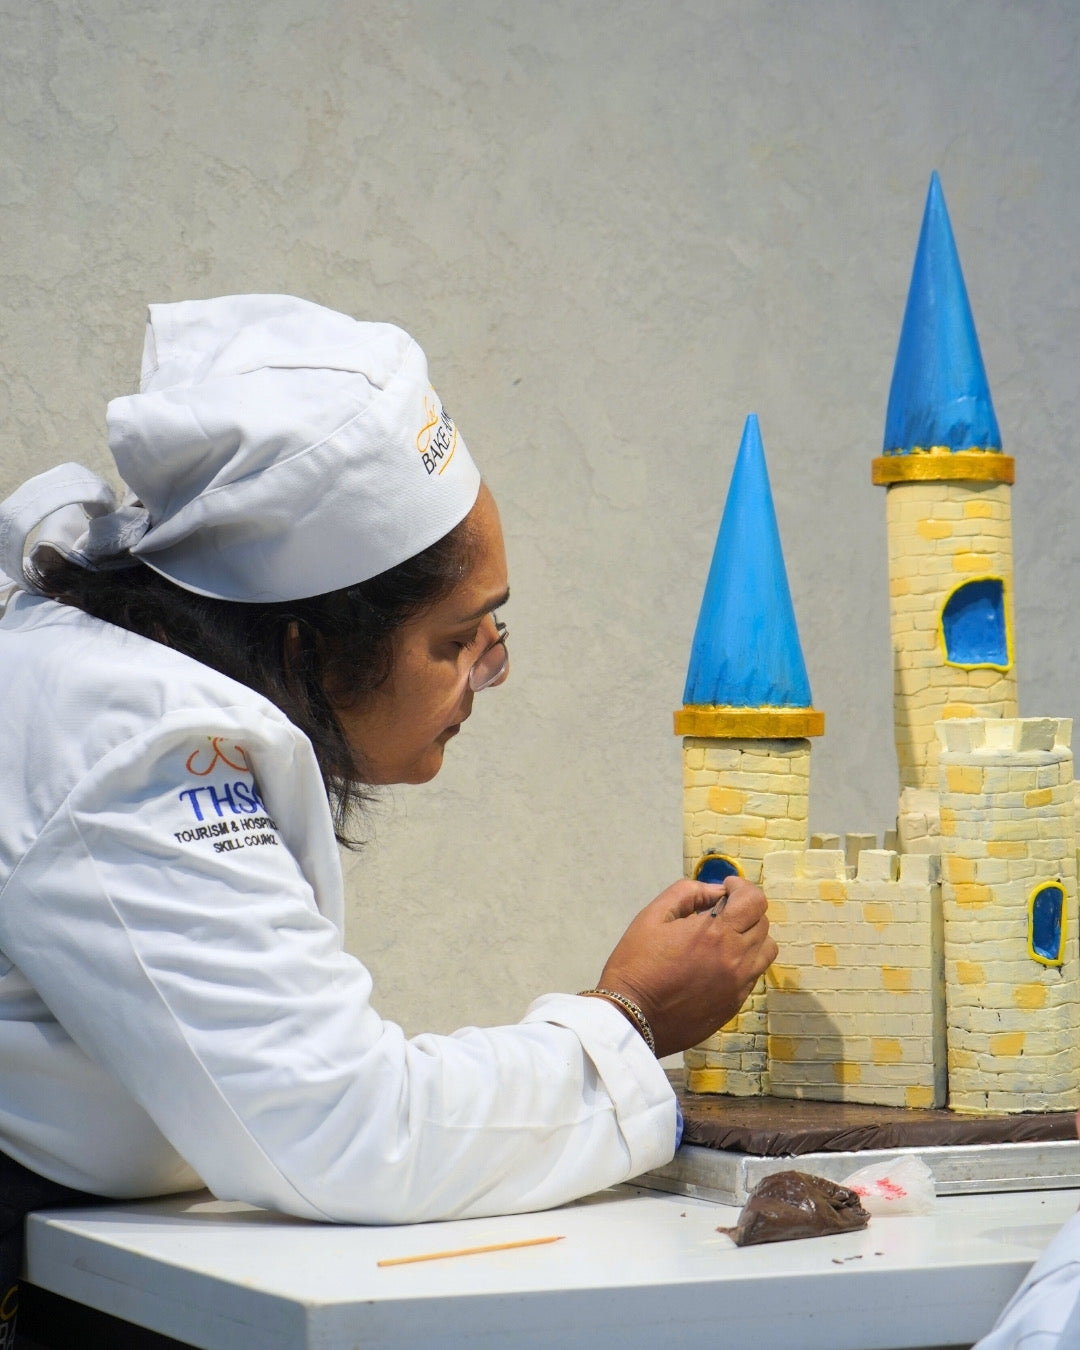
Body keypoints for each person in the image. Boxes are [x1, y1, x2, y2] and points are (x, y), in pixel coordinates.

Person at [0, 294, 774, 1319]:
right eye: (455, 643)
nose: (483, 678)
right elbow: (346, 1128)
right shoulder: (132, 746)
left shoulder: (111, 683)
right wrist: (626, 1020)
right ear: (304, 647)